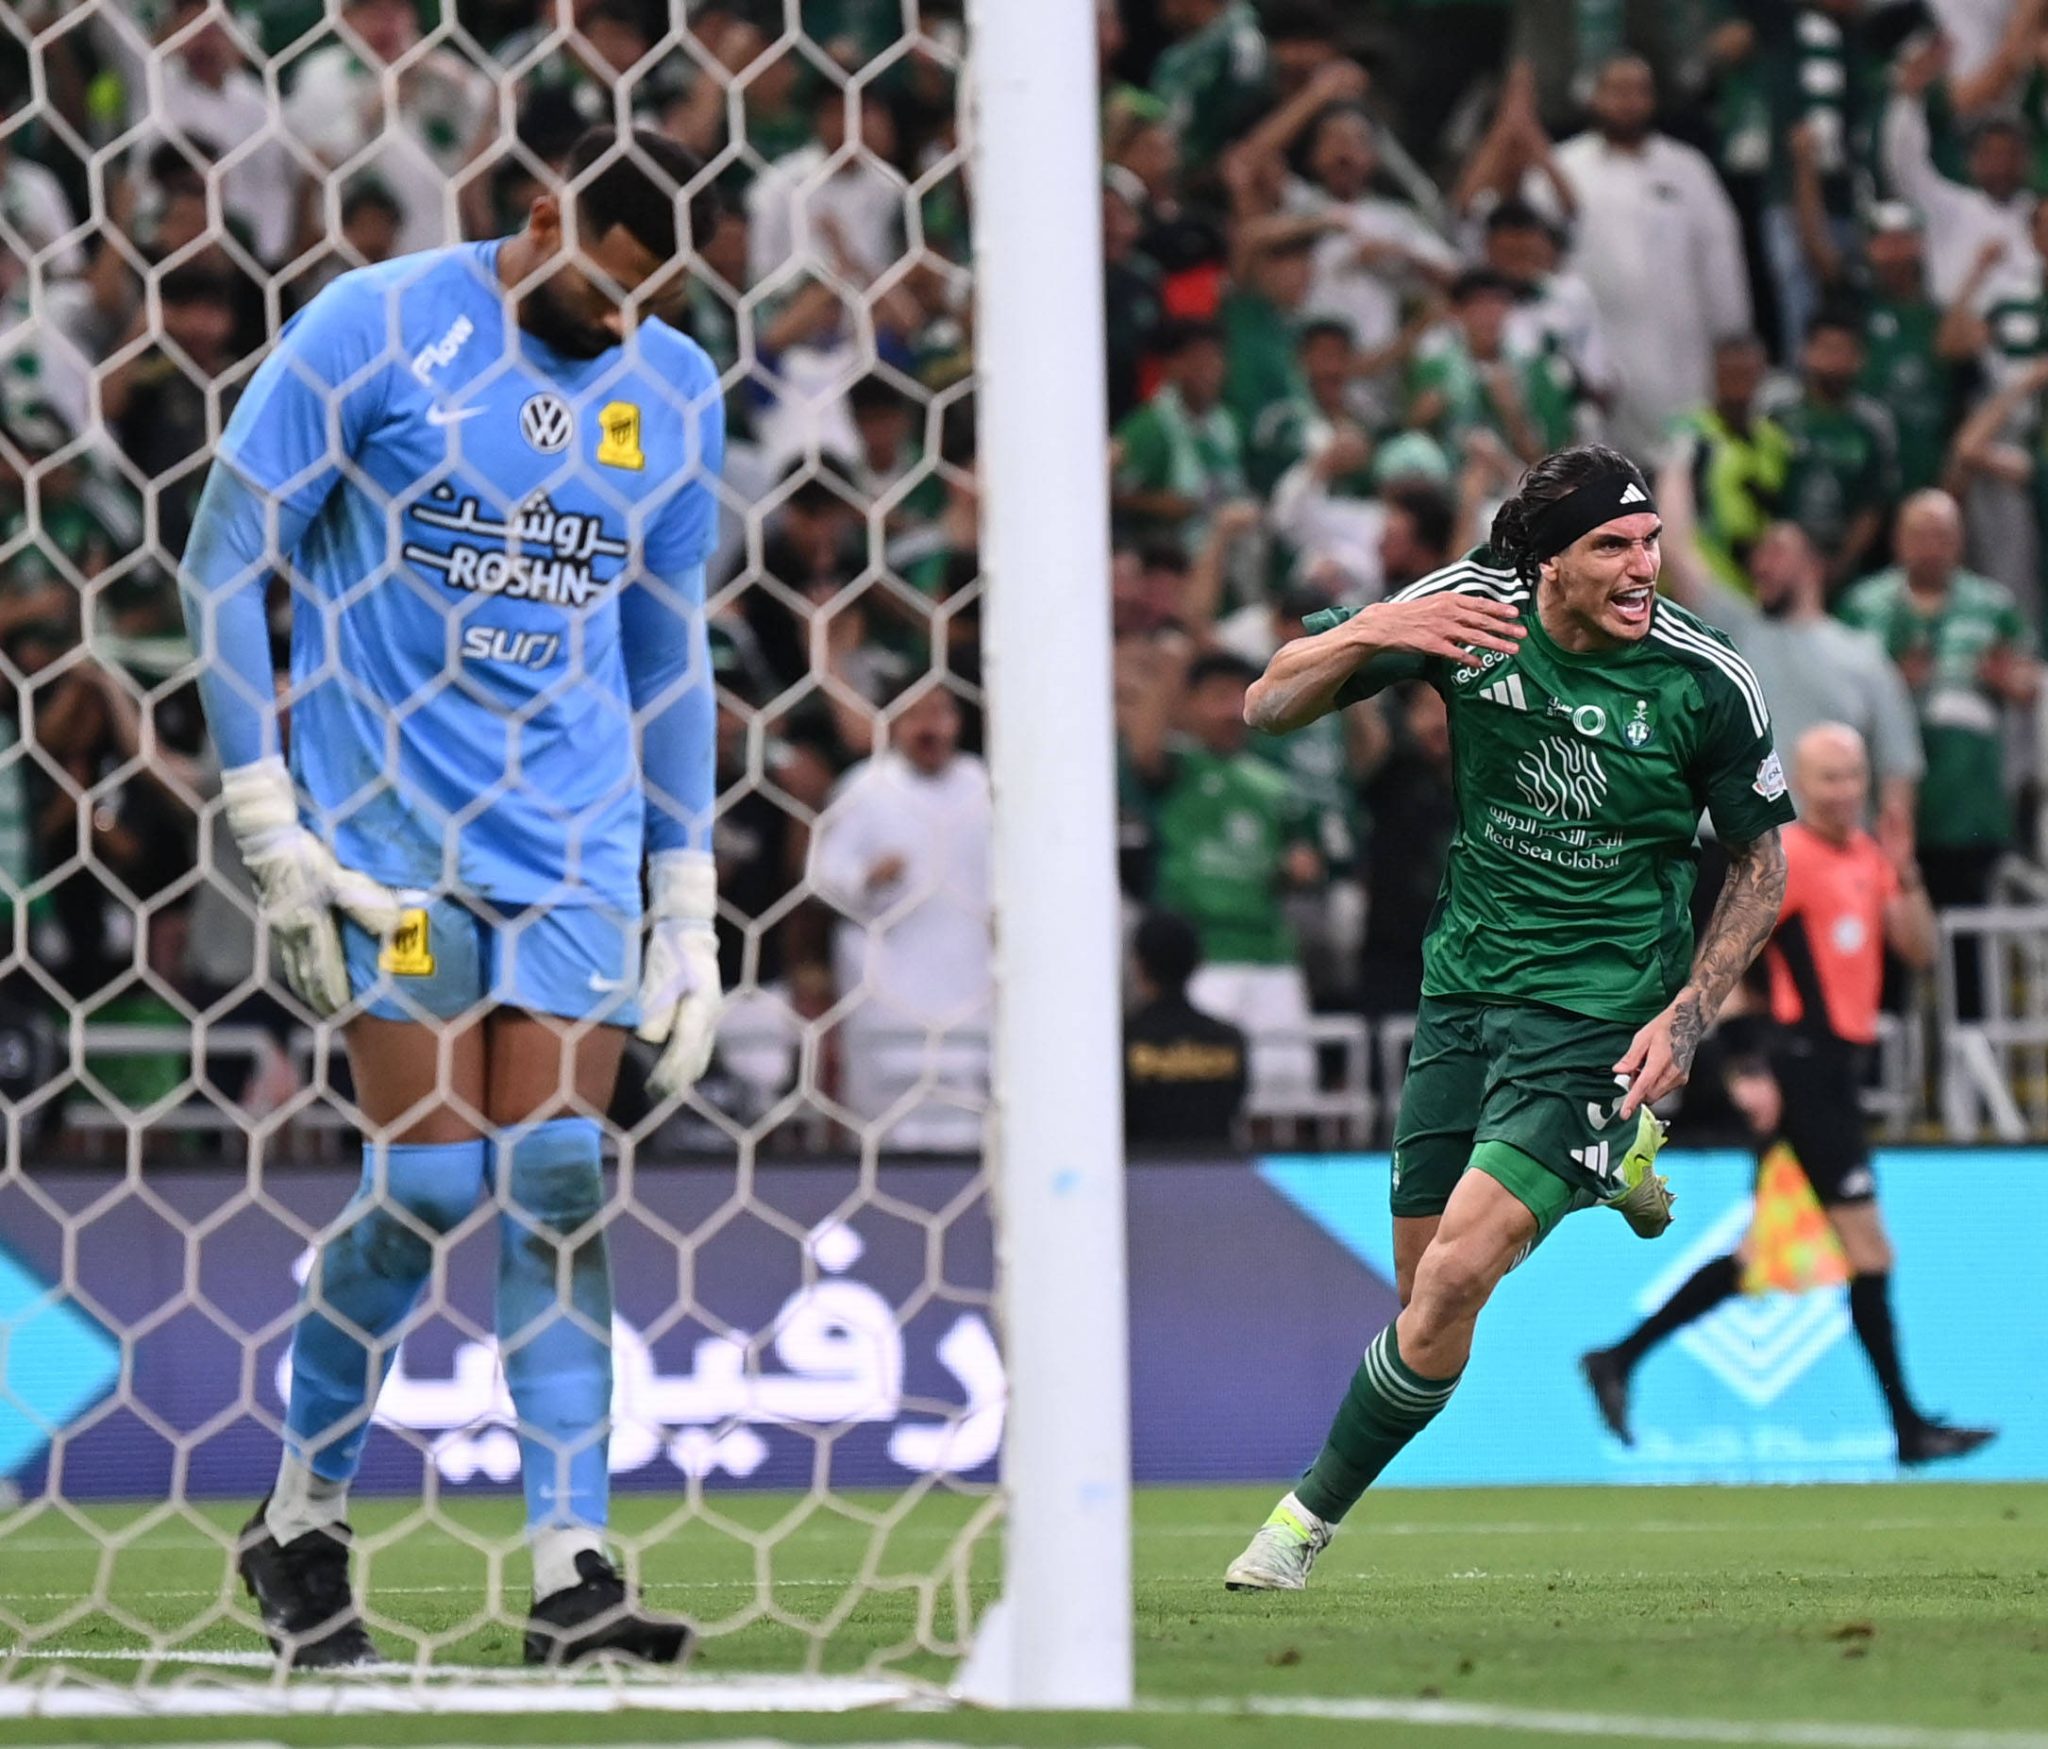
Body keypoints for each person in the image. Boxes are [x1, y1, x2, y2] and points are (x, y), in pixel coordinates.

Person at [179, 127, 726, 1669]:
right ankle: (302, 1515)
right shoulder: (377, 326)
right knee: (425, 1186)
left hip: (575, 853)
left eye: (651, 297)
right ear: (544, 211)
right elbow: (225, 554)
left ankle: (573, 1568)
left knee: (557, 1175)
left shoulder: (676, 388)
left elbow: (668, 648)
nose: (621, 320)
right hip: (395, 851)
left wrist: (684, 893)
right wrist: (264, 815)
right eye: (607, 285)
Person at [1222, 444, 1793, 1591]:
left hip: (1598, 1011)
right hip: (1464, 991)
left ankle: (1294, 1527)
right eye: (1610, 547)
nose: (1642, 568)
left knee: (1452, 1282)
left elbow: (1759, 864)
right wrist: (1375, 630)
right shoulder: (1467, 610)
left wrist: (1686, 1016)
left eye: (1648, 543)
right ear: (1544, 564)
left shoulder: (1703, 679)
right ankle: (1610, 1161)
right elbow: (1264, 704)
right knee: (1421, 1300)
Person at [1582, 724, 1995, 1468]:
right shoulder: (1788, 861)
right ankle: (1908, 1429)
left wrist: (1908, 875)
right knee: (1869, 1250)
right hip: (1799, 1071)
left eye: (1854, 775)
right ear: (1801, 783)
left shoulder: (1869, 856)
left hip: (1836, 1074)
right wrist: (1747, 1067)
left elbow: (1919, 950)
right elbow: (1728, 967)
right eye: (1829, 777)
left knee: (1755, 1258)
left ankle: (1618, 1357)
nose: (1844, 791)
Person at [1837, 490, 2040, 1016]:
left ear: (1960, 540)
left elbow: (2028, 678)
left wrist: (2011, 680)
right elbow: (1835, 692)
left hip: (1967, 809)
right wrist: (1891, 682)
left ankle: (1967, 1057)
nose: (1932, 546)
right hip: (1884, 811)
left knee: (1968, 958)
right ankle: (1884, 1059)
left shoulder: (1992, 605)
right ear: (1899, 540)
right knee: (1887, 959)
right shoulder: (1864, 605)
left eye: (1944, 535)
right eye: (1921, 534)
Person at [1530, 57, 1751, 463]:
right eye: (1617, 90)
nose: (1628, 102)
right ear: (1594, 97)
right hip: (1597, 349)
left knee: (1683, 459)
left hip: (1680, 351)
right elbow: (1534, 254)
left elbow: (1720, 255)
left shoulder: (1686, 168)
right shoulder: (1564, 167)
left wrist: (1732, 335)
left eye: (1639, 91)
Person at [807, 681, 992, 1152]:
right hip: (886, 987)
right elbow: (820, 878)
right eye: (916, 715)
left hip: (968, 983)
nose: (929, 727)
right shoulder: (866, 787)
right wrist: (866, 878)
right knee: (887, 1122)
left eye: (940, 714)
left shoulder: (983, 786)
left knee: (967, 1114)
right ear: (893, 724)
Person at [1123, 909, 1249, 1147]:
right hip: (1218, 1168)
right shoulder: (1229, 1040)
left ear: (1139, 965)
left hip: (1143, 1168)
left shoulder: (1125, 1040)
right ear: (1198, 962)